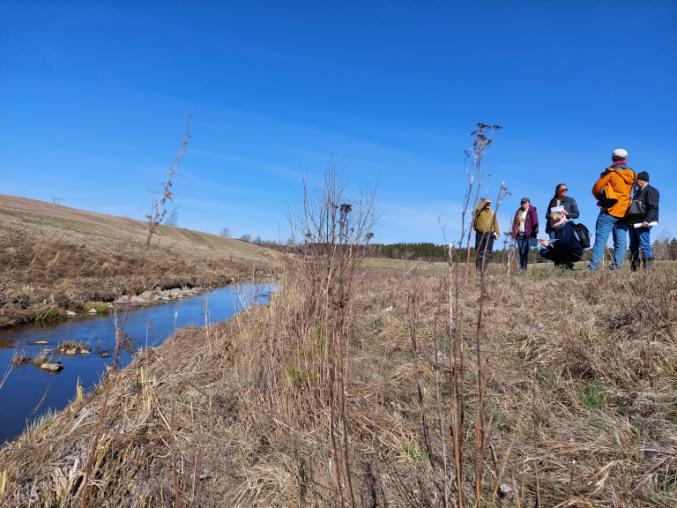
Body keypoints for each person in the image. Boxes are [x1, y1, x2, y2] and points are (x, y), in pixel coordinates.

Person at [588, 148, 636, 271]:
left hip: (609, 210)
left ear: (613, 158)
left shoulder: (610, 173)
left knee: (601, 239)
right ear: (625, 159)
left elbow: (595, 189)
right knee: (621, 241)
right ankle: (617, 267)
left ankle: (594, 267)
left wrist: (602, 198)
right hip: (625, 211)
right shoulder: (632, 174)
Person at [629, 171, 660, 271]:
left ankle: (649, 271)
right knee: (633, 246)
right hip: (634, 223)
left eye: (636, 180)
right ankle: (634, 270)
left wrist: (647, 221)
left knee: (644, 245)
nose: (635, 183)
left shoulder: (652, 191)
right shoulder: (637, 192)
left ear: (641, 181)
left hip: (643, 223)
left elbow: (653, 208)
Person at [511, 197, 539, 272]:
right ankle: (522, 266)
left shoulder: (532, 211)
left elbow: (535, 222)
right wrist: (514, 231)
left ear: (528, 203)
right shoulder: (519, 211)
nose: (523, 204)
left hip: (527, 235)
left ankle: (523, 267)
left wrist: (532, 232)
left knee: (524, 251)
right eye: (522, 203)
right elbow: (515, 222)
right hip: (519, 235)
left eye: (525, 202)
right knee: (520, 251)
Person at [473, 197, 500, 271]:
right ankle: (478, 269)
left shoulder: (492, 213)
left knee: (488, 252)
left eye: (489, 203)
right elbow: (477, 209)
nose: (488, 204)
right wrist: (483, 202)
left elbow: (495, 223)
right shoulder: (478, 212)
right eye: (487, 203)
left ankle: (484, 268)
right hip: (480, 234)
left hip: (490, 234)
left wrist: (497, 233)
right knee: (479, 251)